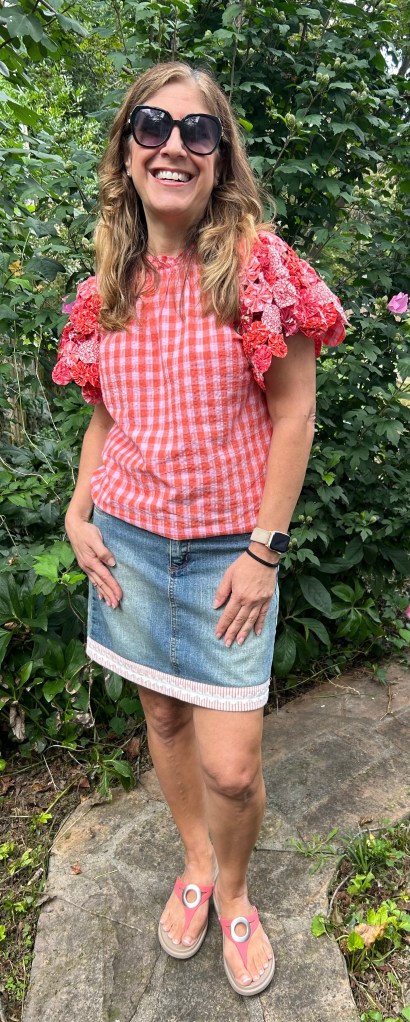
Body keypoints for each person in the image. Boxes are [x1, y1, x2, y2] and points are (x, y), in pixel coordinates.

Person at [52, 61, 347, 996]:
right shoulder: (108, 284)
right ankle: (195, 864)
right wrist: (77, 508)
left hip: (230, 556)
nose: (172, 145)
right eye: (152, 125)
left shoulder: (259, 269)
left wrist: (265, 552)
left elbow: (294, 414)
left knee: (232, 767)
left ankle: (235, 888)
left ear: (221, 157)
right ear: (127, 150)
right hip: (130, 545)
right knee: (164, 716)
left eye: (197, 130)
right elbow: (107, 415)